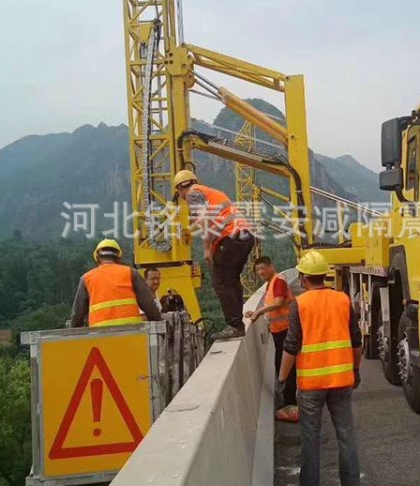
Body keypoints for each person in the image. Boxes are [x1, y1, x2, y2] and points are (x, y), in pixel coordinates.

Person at [277, 250, 363, 486]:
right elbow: (356, 341)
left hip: (311, 384)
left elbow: (291, 345)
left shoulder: (299, 305)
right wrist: (355, 370)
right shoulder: (343, 300)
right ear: (324, 276)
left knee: (310, 438)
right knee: (346, 434)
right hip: (341, 381)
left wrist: (282, 379)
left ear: (303, 278)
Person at [173, 170, 254, 341]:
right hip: (244, 236)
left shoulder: (193, 194)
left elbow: (204, 220)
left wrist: (207, 248)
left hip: (230, 237)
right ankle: (237, 323)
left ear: (180, 188)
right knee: (231, 280)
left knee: (221, 282)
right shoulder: (211, 193)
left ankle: (234, 325)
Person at [245, 256, 298, 422]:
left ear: (271, 267)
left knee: (286, 368)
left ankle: (291, 404)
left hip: (286, 330)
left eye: (263, 268)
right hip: (279, 331)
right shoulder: (271, 284)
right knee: (283, 366)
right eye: (258, 270)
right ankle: (289, 401)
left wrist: (259, 312)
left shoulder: (278, 281)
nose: (260, 272)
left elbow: (279, 302)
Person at [70, 239, 162, 328]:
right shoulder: (131, 273)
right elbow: (149, 305)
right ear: (118, 258)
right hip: (131, 334)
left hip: (100, 337)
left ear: (97, 258)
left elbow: (78, 315)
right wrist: (160, 326)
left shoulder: (86, 279)